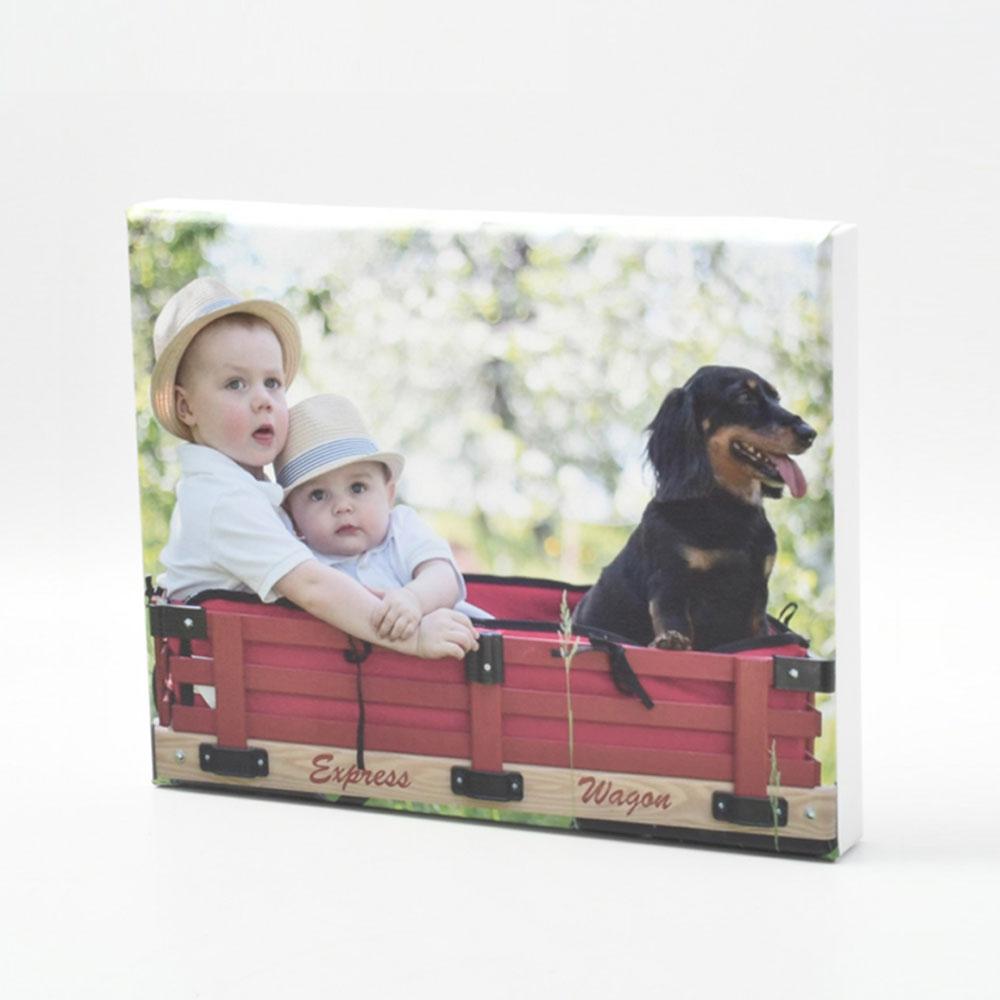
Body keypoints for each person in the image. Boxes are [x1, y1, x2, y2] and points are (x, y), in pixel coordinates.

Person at [150, 276, 477, 661]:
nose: (264, 401)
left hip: (268, 669)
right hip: (238, 681)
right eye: (236, 384)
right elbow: (313, 586)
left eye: (273, 383)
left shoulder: (242, 491)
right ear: (187, 408)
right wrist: (414, 637)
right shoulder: (222, 500)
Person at [275, 394, 490, 643]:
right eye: (318, 495)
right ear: (293, 517)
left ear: (388, 495)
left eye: (357, 488)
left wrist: (414, 599)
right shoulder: (303, 567)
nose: (342, 506)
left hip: (461, 645)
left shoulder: (400, 528)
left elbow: (445, 577)